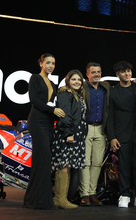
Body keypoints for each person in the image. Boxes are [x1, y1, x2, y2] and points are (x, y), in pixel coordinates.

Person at [106, 61, 136, 208]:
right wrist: (112, 137)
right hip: (122, 134)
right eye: (123, 72)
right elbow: (110, 115)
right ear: (117, 74)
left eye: (129, 71)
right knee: (124, 166)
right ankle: (125, 195)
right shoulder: (113, 91)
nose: (127, 74)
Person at [24, 53, 66, 210]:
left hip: (48, 123)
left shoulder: (52, 82)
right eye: (48, 62)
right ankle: (39, 201)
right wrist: (52, 109)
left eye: (53, 63)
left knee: (42, 162)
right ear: (40, 63)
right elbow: (33, 99)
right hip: (37, 121)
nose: (51, 66)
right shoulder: (35, 78)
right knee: (42, 161)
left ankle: (35, 200)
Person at [51, 69, 87, 209]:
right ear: (67, 81)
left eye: (79, 80)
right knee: (64, 166)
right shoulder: (65, 94)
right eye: (73, 79)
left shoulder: (77, 95)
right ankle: (59, 199)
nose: (77, 82)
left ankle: (62, 199)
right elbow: (64, 115)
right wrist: (68, 133)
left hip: (76, 135)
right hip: (68, 135)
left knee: (68, 166)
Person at [79, 62, 110, 206]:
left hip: (100, 130)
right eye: (93, 72)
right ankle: (84, 194)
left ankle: (92, 193)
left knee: (97, 163)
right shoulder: (82, 87)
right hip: (86, 128)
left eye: (99, 72)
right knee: (85, 163)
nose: (97, 74)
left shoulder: (106, 87)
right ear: (87, 74)